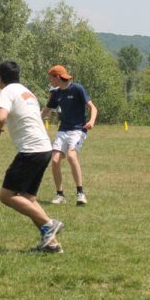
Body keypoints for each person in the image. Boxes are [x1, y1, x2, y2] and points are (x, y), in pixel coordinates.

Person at [0, 60, 64, 253]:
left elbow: (0, 117)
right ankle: (52, 244)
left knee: (6, 195)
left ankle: (49, 224)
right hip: (44, 148)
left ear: (0, 78)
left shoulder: (7, 91)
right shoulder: (27, 92)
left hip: (31, 150)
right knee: (28, 198)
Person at [41, 65, 98, 206]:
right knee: (55, 160)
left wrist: (91, 121)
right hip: (63, 130)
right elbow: (46, 110)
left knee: (71, 156)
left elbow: (93, 107)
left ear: (57, 77)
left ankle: (80, 193)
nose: (50, 81)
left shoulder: (77, 88)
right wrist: (34, 120)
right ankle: (59, 194)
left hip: (78, 130)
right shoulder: (56, 93)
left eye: (51, 78)